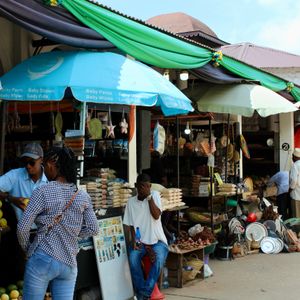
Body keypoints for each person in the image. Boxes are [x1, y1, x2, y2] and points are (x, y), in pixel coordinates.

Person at [17, 147, 99, 300]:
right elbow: (94, 228)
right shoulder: (82, 195)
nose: (44, 169)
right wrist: (73, 231)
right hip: (69, 264)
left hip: (42, 257)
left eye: (45, 165)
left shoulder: (42, 191)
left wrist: (28, 249)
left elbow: (22, 228)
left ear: (51, 164)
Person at [0, 142, 48, 284]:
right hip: (21, 236)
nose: (28, 166)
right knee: (22, 276)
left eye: (32, 162)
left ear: (41, 160)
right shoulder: (16, 175)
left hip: (43, 235)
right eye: (25, 162)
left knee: (41, 277)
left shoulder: (49, 180)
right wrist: (11, 199)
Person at [123, 173, 169, 300]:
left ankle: (144, 294)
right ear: (136, 186)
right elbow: (131, 226)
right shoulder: (131, 203)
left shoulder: (154, 196)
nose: (144, 189)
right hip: (141, 242)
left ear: (150, 187)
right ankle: (142, 291)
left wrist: (149, 197)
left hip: (158, 241)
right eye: (142, 186)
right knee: (133, 259)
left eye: (147, 186)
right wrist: (135, 242)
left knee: (159, 259)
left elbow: (156, 215)